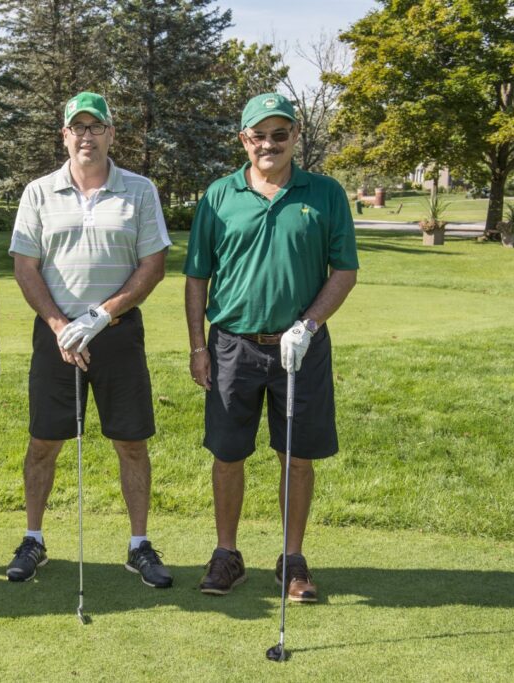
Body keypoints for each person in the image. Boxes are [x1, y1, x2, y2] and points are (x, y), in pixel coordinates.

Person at [183, 93, 359, 602]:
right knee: (227, 454)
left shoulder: (325, 193)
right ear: (244, 139)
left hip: (301, 348)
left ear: (295, 136)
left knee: (297, 456)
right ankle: (226, 554)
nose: (269, 144)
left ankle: (292, 558)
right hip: (231, 346)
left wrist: (308, 325)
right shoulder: (219, 195)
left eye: (279, 135)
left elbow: (344, 271)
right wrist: (197, 348)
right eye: (258, 135)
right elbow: (197, 277)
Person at [7, 92, 173, 588]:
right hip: (55, 337)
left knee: (132, 443)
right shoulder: (39, 192)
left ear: (110, 134)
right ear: (64, 135)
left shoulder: (139, 190)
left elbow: (153, 265)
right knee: (44, 442)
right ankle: (33, 539)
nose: (86, 136)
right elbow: (25, 267)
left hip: (118, 335)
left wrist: (101, 315)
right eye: (77, 127)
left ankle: (139, 545)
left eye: (95, 126)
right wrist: (61, 325)